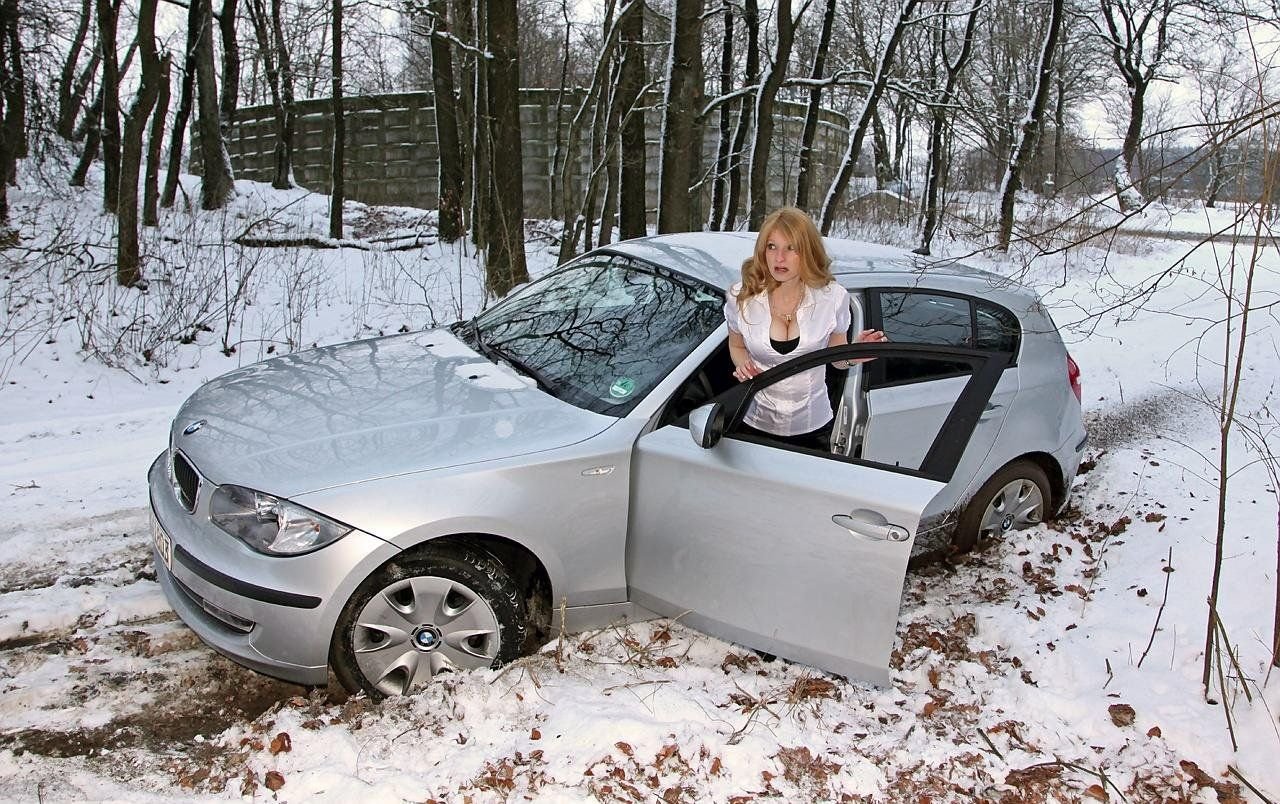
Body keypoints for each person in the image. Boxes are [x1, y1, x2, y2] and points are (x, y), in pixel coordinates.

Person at [724, 207, 886, 450]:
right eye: (772, 247)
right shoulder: (741, 297)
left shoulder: (833, 298)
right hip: (754, 422)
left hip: (813, 427)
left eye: (791, 248)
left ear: (807, 252)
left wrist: (854, 356)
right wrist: (742, 365)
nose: (779, 258)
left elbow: (836, 358)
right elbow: (736, 344)